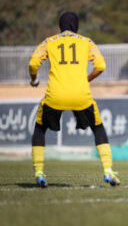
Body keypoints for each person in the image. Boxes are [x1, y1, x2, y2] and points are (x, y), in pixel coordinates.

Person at [29, 12, 119, 188]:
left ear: (60, 26)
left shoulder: (49, 42)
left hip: (55, 95)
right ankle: (108, 171)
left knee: (40, 128)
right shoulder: (86, 42)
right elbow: (101, 65)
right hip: (81, 95)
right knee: (98, 128)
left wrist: (33, 80)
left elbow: (33, 63)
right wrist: (86, 79)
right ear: (76, 26)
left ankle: (39, 173)